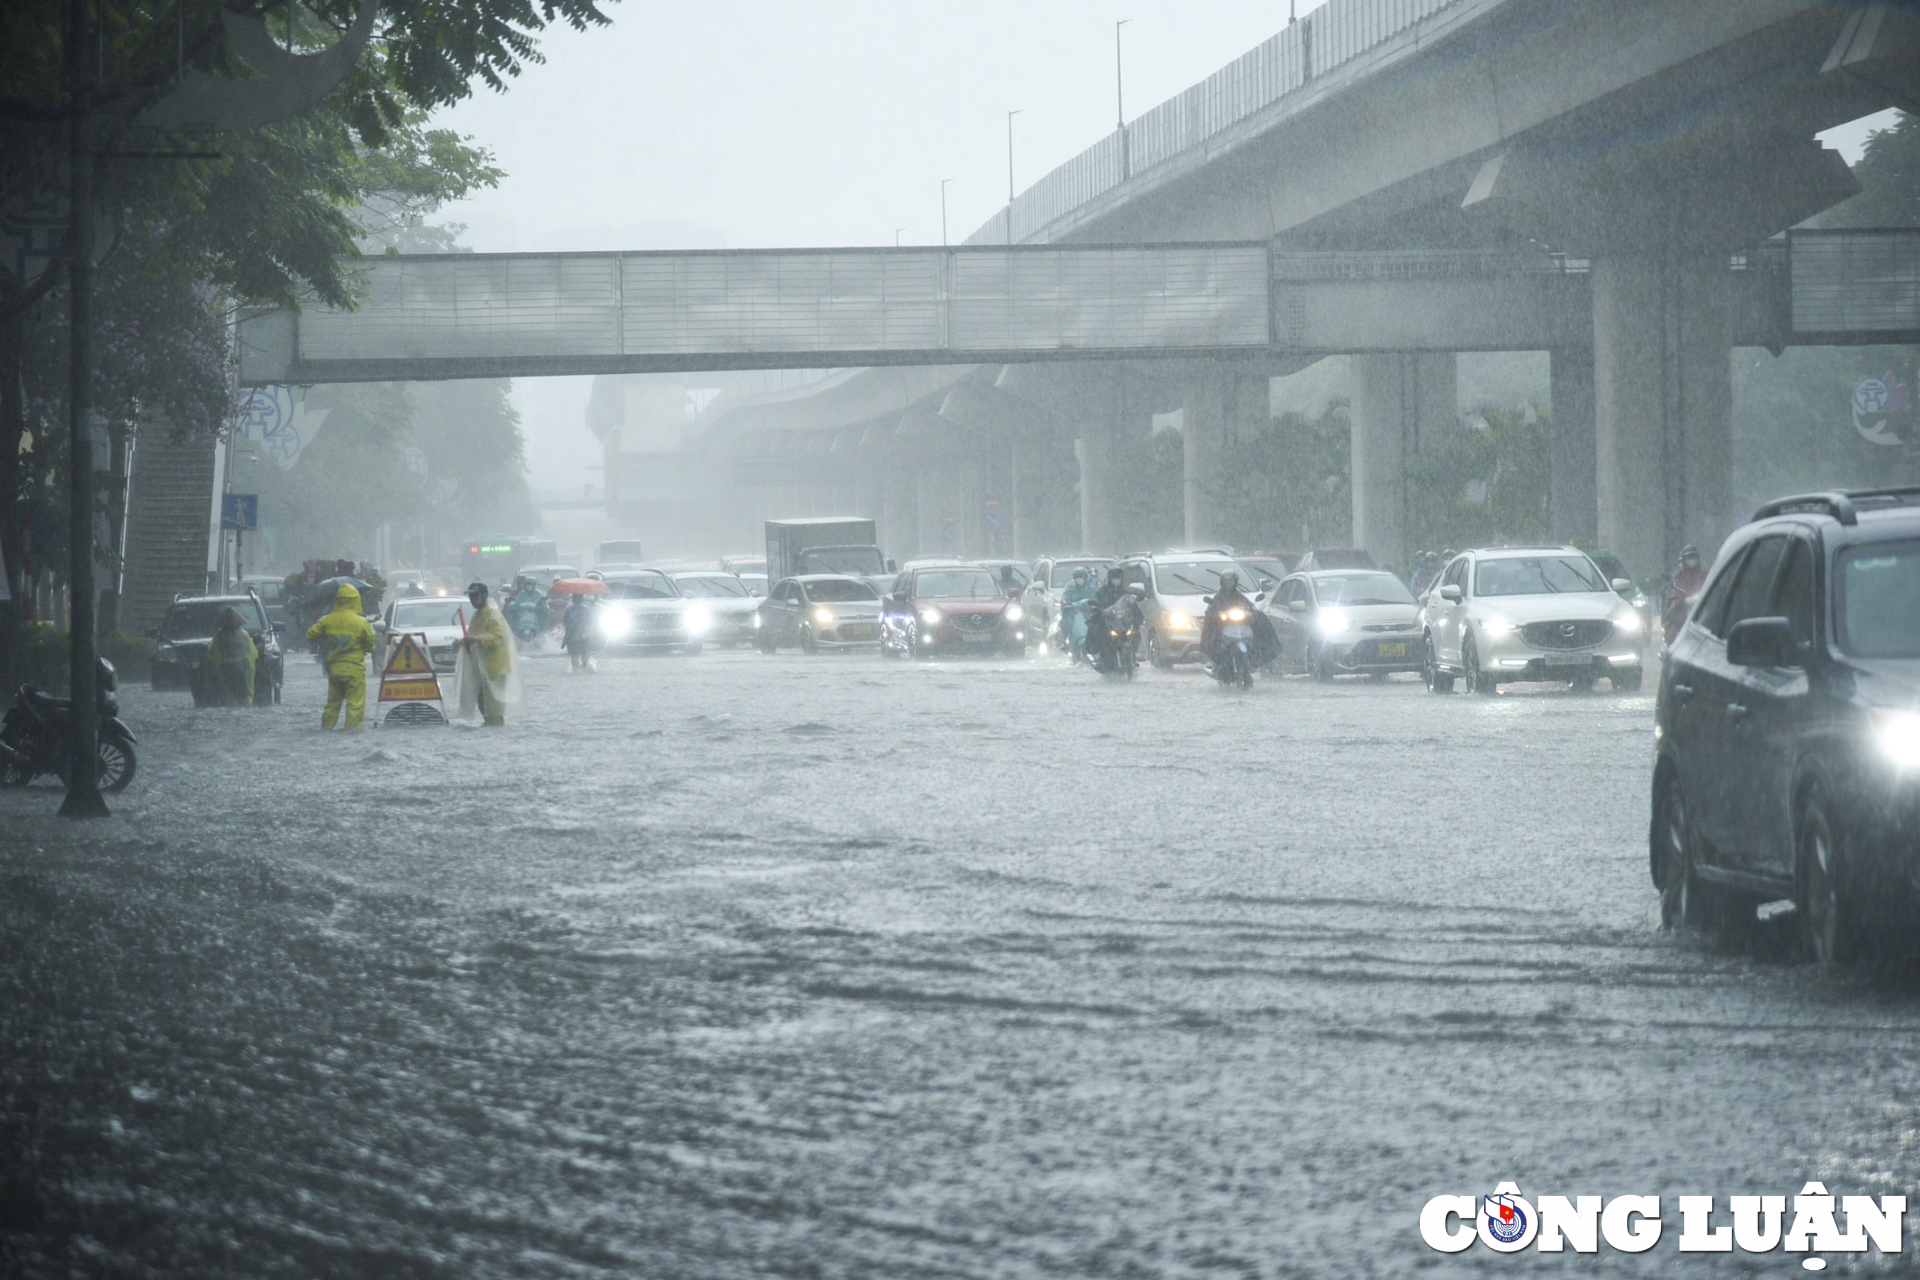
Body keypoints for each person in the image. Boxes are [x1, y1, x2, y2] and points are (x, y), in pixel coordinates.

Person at [306, 582, 376, 729]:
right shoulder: (361, 622)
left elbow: (310, 634)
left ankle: (326, 729)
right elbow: (371, 645)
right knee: (355, 705)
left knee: (332, 704)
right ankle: (352, 732)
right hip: (354, 669)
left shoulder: (328, 620)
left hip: (334, 669)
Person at [459, 581, 518, 726]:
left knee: (494, 705)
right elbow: (474, 634)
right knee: (483, 702)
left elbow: (498, 637)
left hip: (495, 667)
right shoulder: (479, 613)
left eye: (475, 596)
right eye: (470, 596)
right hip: (483, 667)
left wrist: (476, 639)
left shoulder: (492, 613)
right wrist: (465, 641)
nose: (472, 599)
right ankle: (489, 725)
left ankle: (496, 729)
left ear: (484, 595)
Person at [1201, 569, 1280, 669]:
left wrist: (1252, 613)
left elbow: (1249, 606)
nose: (1229, 584)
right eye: (1226, 581)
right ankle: (1217, 658)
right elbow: (1211, 611)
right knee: (1211, 635)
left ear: (1235, 582)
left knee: (1261, 620)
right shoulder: (1218, 598)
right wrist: (1216, 616)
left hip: (1239, 628)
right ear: (1222, 582)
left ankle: (1259, 656)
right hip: (1223, 631)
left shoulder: (1239, 596)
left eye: (1231, 581)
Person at [207, 607, 259, 707]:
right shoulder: (244, 634)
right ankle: (248, 705)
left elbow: (211, 652)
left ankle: (231, 704)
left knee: (229, 693)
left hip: (226, 667)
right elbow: (253, 652)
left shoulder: (219, 635)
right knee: (247, 691)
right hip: (245, 667)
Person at [1663, 544, 1708, 647]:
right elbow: (1673, 590)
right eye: (1689, 558)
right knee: (1674, 612)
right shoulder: (1678, 575)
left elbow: (1710, 585)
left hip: (1701, 606)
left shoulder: (1704, 574)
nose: (1692, 560)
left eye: (1694, 557)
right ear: (1684, 560)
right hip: (1683, 607)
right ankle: (1672, 641)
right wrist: (1681, 599)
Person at [1059, 567, 1097, 657]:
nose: (1079, 579)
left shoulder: (1092, 586)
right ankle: (1066, 642)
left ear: (1085, 576)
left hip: (1089, 613)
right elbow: (1065, 598)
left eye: (1081, 576)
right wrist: (1067, 604)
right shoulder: (1070, 587)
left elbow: (1094, 597)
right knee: (1064, 623)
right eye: (1076, 576)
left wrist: (1087, 603)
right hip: (1074, 613)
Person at [562, 593, 594, 672]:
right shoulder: (586, 610)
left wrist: (566, 635)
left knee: (574, 654)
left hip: (573, 634)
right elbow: (590, 622)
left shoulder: (569, 610)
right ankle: (584, 666)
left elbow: (566, 624)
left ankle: (576, 669)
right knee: (585, 650)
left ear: (573, 599)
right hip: (584, 633)